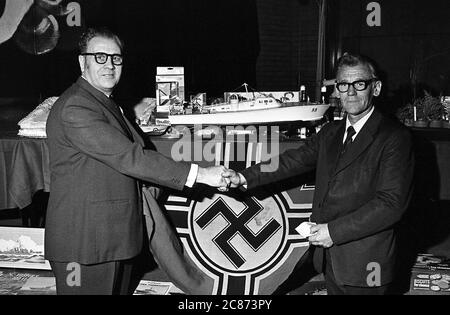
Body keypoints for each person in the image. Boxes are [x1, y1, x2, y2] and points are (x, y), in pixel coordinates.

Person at [45, 27, 228, 295]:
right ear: (82, 61)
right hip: (85, 246)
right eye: (99, 57)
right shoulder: (77, 106)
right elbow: (130, 157)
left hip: (111, 237)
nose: (109, 65)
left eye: (116, 58)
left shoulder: (102, 102)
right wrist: (202, 174)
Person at [222, 53, 414, 295]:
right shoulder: (330, 133)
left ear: (375, 88)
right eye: (343, 85)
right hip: (329, 259)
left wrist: (332, 232)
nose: (351, 92)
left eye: (359, 84)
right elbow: (291, 161)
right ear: (337, 90)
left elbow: (391, 204)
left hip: (366, 265)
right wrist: (244, 177)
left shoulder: (395, 138)